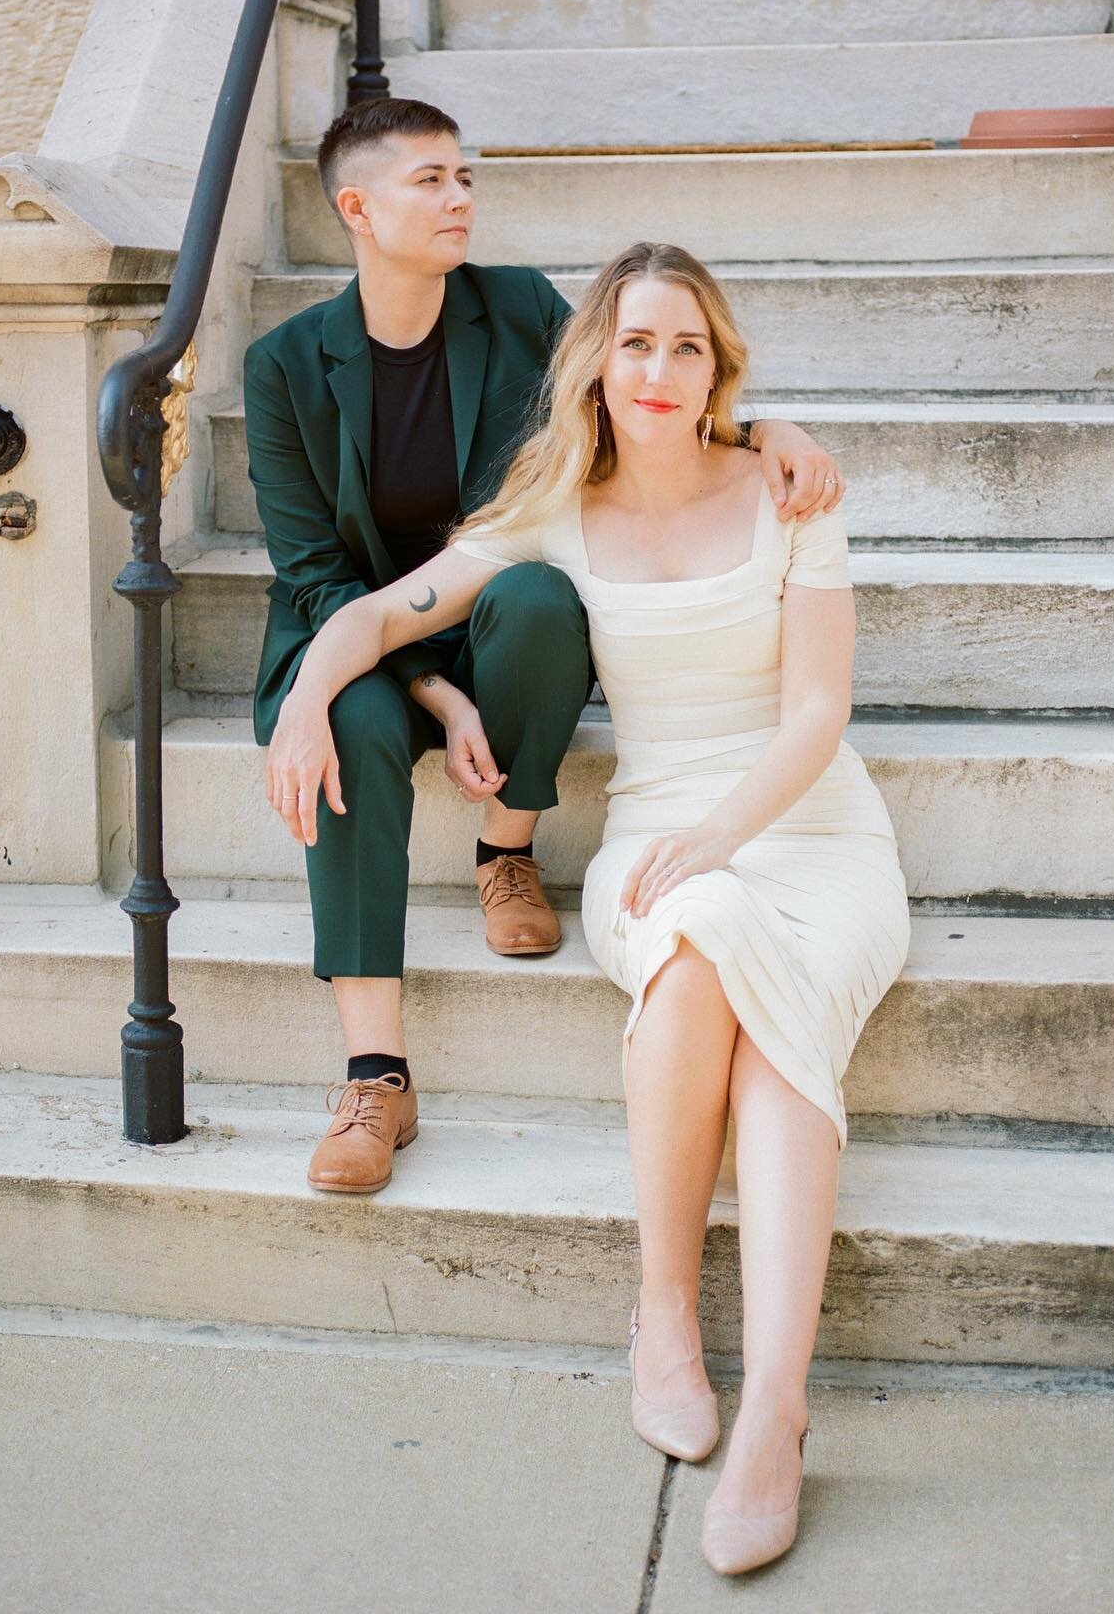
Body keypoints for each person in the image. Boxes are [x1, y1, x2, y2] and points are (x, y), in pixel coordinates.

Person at [266, 240, 911, 1578]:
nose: (660, 370)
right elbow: (383, 614)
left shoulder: (792, 489)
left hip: (811, 829)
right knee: (692, 958)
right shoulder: (554, 507)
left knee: (765, 1000)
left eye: (687, 346)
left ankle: (778, 1414)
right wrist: (306, 699)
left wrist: (725, 838)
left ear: (720, 366)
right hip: (659, 832)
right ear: (595, 368)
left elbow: (818, 713)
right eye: (635, 345)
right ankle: (665, 1316)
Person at [245, 96, 848, 1197]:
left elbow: (641, 392)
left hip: (499, 610)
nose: (460, 197)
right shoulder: (285, 363)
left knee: (535, 597)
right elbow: (321, 578)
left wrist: (769, 432)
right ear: (357, 208)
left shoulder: (517, 308)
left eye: (465, 176)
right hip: (366, 630)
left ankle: (505, 846)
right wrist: (425, 694)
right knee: (349, 717)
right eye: (430, 180)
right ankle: (375, 1073)